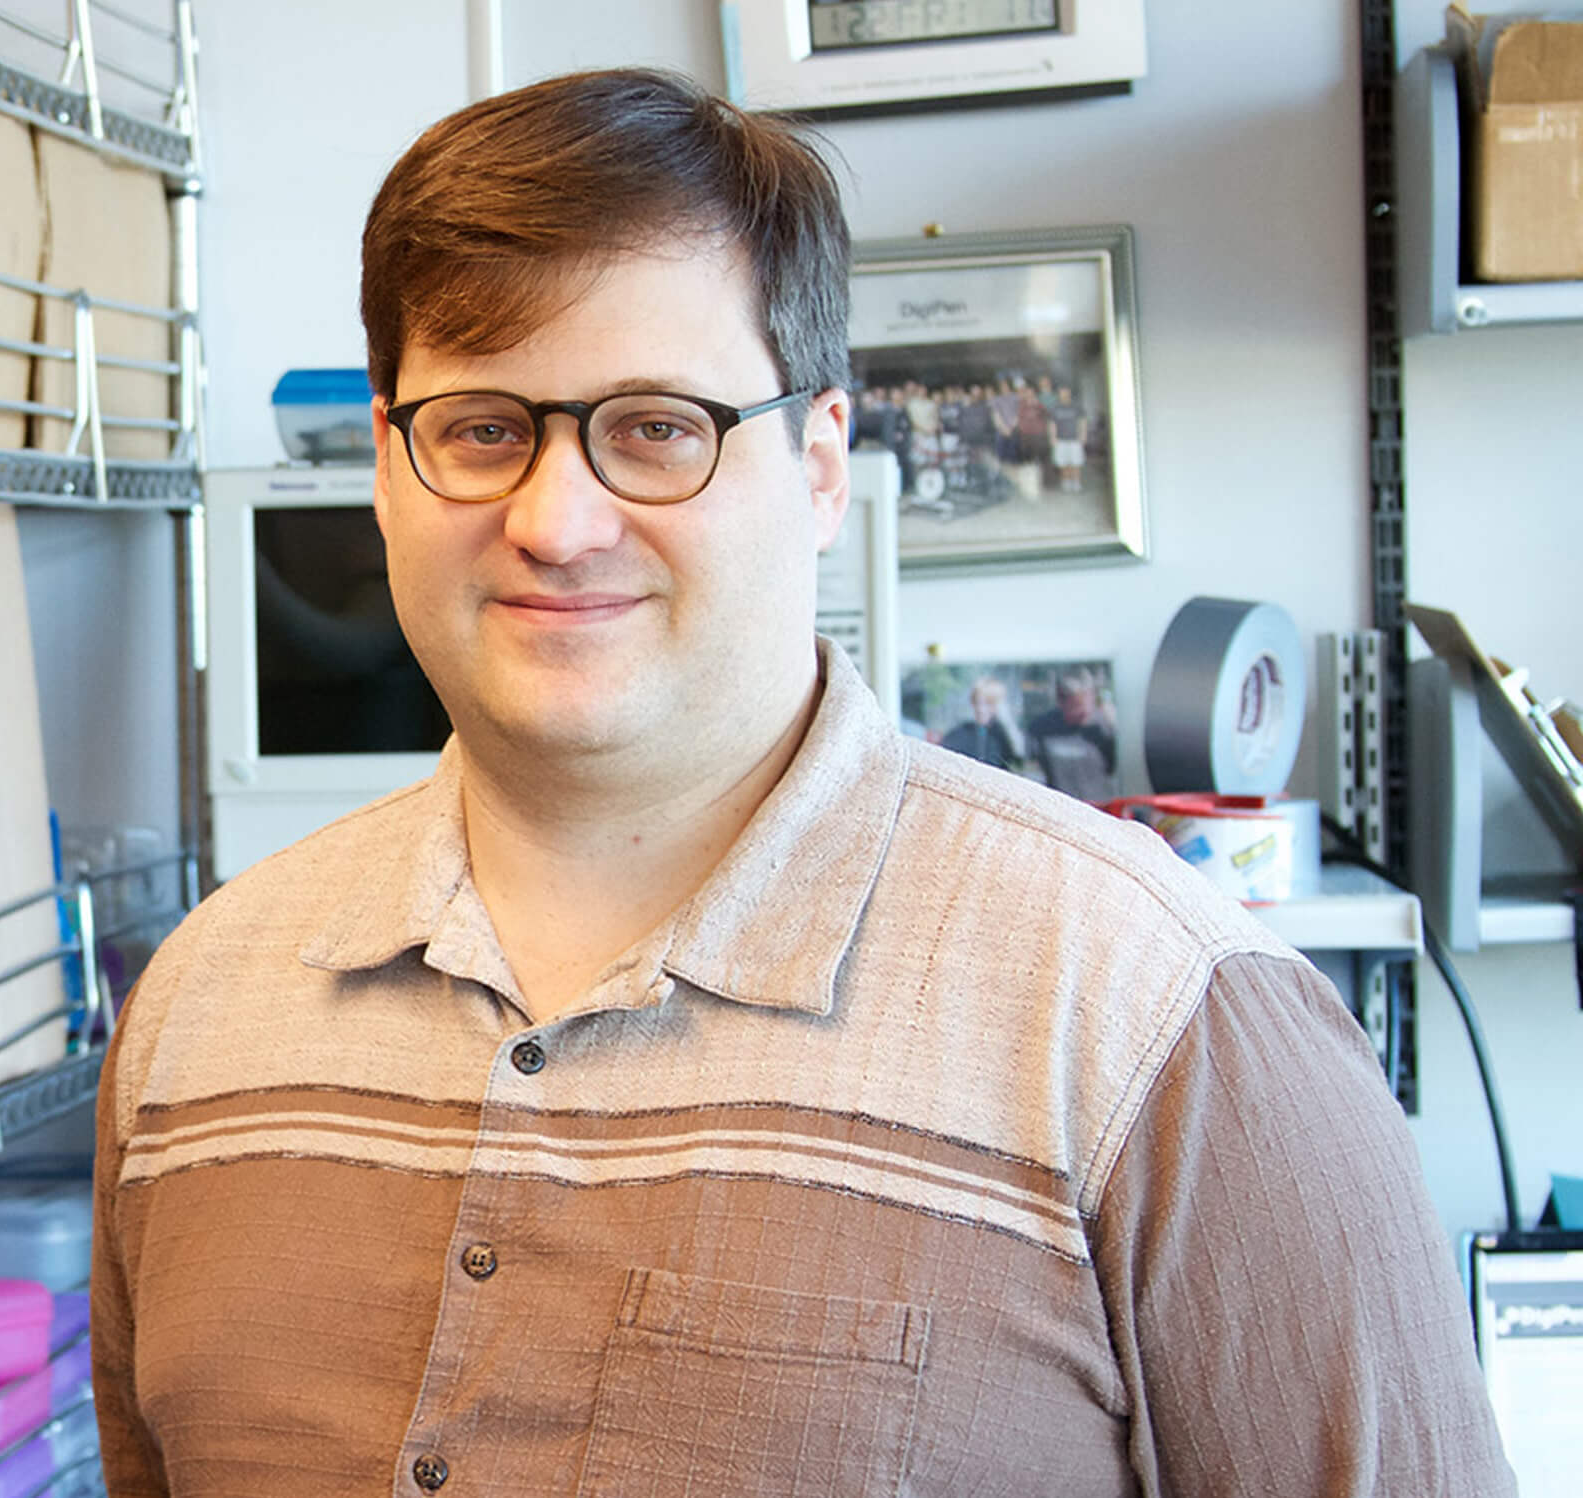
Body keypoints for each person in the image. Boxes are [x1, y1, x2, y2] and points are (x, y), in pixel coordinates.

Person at [89, 69, 1511, 1496]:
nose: (557, 520)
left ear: (821, 465)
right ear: (390, 467)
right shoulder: (196, 1015)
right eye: (482, 428)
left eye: (657, 427)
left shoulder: (1169, 1031)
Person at [1025, 663, 1122, 803]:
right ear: (1061, 701)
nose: (1086, 712)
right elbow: (1032, 770)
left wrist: (1113, 728)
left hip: (1100, 808)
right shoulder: (1041, 729)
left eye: (1090, 704)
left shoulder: (1103, 726)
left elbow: (1118, 768)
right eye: (1077, 707)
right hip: (1060, 808)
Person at [935, 673, 1022, 771]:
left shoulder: (1002, 735)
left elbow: (1017, 760)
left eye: (988, 704)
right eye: (977, 703)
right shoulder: (961, 733)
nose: (981, 709)